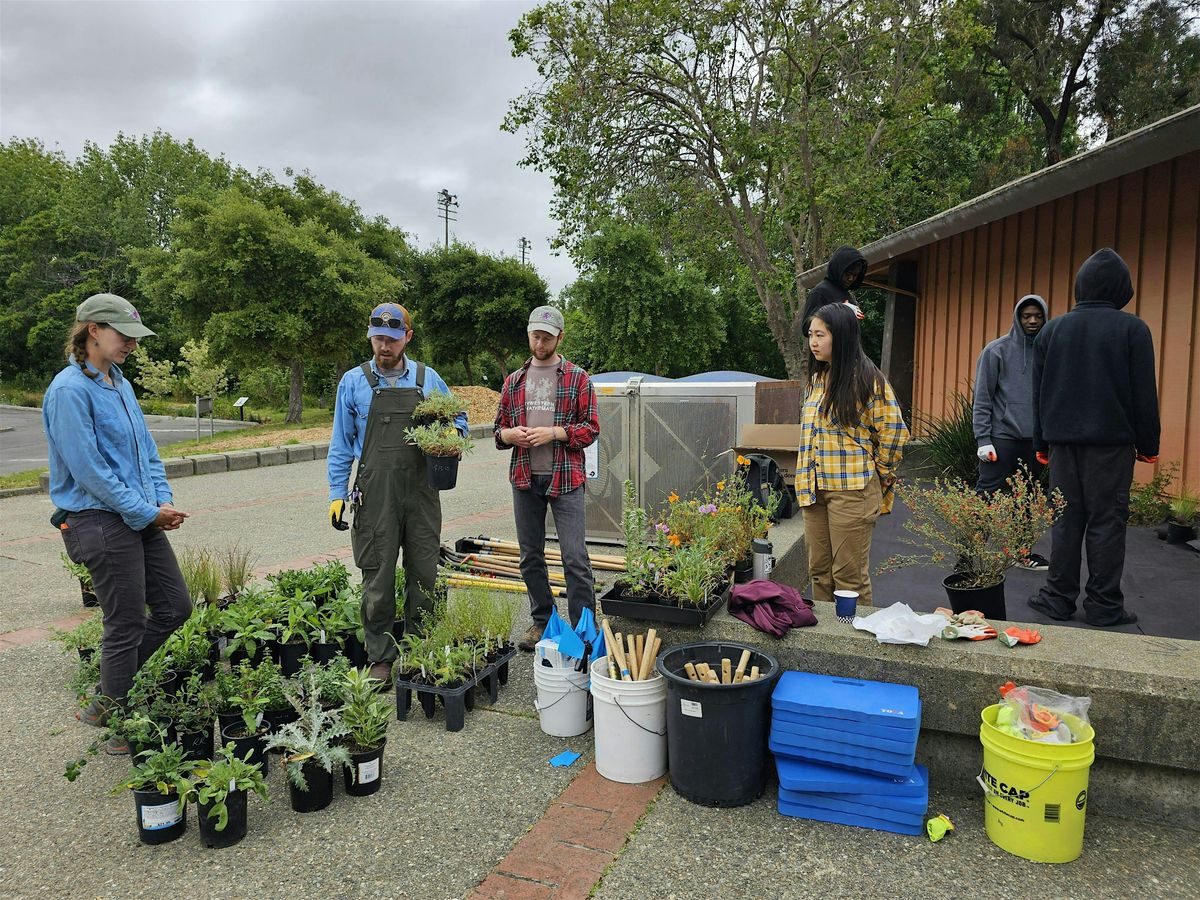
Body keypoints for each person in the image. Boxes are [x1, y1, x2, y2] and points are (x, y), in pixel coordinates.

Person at [44, 293, 191, 752]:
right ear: (93, 331)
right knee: (124, 623)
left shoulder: (119, 382)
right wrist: (148, 511)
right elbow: (89, 471)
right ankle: (119, 724)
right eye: (123, 335)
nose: (131, 343)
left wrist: (162, 498)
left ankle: (109, 694)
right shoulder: (69, 391)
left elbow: (146, 449)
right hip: (99, 520)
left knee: (175, 607)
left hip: (139, 514)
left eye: (134, 337)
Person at [327, 302, 467, 683]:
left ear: (407, 337)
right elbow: (341, 444)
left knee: (424, 571)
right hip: (376, 495)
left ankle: (421, 649)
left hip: (421, 493)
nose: (384, 347)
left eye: (391, 339)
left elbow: (459, 417)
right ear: (370, 337)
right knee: (378, 575)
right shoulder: (353, 383)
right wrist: (337, 493)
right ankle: (381, 656)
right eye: (378, 339)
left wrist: (452, 435)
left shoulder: (427, 379)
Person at [1029, 249, 1159, 628]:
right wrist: (1148, 445)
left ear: (1080, 286)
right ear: (1122, 288)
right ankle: (1104, 606)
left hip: (1062, 445)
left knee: (1066, 520)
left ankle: (1057, 598)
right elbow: (1143, 394)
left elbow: (1040, 395)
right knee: (1106, 523)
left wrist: (1040, 444)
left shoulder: (1052, 331)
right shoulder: (1133, 330)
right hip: (1111, 447)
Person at [494, 305, 599, 651]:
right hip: (525, 478)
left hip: (566, 478)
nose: (540, 344)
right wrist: (509, 435)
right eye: (535, 336)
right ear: (529, 335)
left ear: (560, 338)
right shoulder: (514, 381)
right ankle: (543, 621)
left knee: (574, 557)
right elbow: (498, 431)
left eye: (547, 338)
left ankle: (584, 628)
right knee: (530, 556)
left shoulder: (577, 378)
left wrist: (555, 432)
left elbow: (591, 429)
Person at [797, 302, 909, 606]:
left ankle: (852, 634)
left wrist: (880, 473)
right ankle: (826, 633)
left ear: (842, 336)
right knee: (819, 573)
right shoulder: (816, 380)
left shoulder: (867, 379)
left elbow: (894, 432)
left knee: (849, 579)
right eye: (811, 335)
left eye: (820, 335)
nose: (813, 342)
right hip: (813, 489)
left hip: (852, 490)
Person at [972, 293, 1051, 570]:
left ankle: (1022, 552)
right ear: (1018, 318)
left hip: (1035, 440)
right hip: (1001, 438)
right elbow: (982, 398)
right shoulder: (996, 350)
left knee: (1026, 497)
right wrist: (983, 439)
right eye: (1026, 316)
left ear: (1045, 318)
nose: (1032, 321)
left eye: (1037, 316)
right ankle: (971, 552)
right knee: (987, 494)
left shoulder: (1050, 351)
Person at [801, 245, 868, 332]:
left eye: (855, 275)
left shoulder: (846, 294)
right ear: (839, 269)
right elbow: (807, 327)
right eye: (848, 274)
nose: (851, 278)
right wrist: (838, 310)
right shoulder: (820, 293)